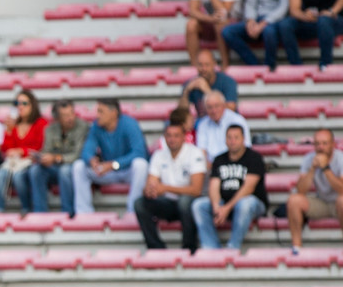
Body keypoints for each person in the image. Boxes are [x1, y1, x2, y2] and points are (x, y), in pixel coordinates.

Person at [192, 124, 267, 250]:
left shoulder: (254, 158)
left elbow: (248, 188)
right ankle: (211, 248)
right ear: (225, 140)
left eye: (236, 137)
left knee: (245, 203)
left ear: (243, 139)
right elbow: (214, 186)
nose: (232, 141)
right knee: (199, 205)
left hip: (252, 204)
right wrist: (217, 207)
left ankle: (233, 247)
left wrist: (226, 208)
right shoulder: (219, 159)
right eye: (229, 138)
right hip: (225, 204)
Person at [134, 121, 206, 252]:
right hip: (168, 203)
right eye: (169, 135)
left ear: (184, 136)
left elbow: (196, 190)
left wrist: (165, 188)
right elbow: (151, 182)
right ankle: (156, 248)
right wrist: (149, 191)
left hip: (189, 203)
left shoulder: (195, 153)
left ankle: (189, 247)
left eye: (176, 135)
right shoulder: (159, 155)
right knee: (140, 203)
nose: (172, 139)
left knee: (185, 202)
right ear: (164, 137)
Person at [72, 99, 148, 215]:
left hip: (127, 170)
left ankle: (133, 212)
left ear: (114, 113)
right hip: (107, 171)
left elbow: (139, 153)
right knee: (79, 166)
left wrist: (114, 164)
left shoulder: (130, 124)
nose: (97, 115)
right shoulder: (96, 126)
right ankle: (84, 213)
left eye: (101, 111)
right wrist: (91, 160)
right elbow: (87, 149)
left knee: (141, 165)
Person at [286, 128, 343, 254]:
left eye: (324, 143)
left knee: (342, 200)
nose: (320, 147)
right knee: (294, 200)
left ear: (333, 144)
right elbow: (300, 191)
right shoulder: (309, 159)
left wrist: (326, 169)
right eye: (317, 144)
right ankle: (296, 247)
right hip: (322, 202)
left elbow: (341, 190)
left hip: (339, 203)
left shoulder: (340, 159)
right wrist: (312, 169)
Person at [23, 99, 85, 215]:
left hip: (74, 168)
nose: (70, 117)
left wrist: (56, 158)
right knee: (35, 170)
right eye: (65, 115)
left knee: (65, 171)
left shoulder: (82, 127)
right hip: (55, 167)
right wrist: (42, 158)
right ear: (57, 118)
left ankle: (67, 212)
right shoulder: (50, 129)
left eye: (72, 113)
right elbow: (47, 150)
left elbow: (77, 155)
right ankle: (40, 212)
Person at [0, 89, 47, 213]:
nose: (20, 106)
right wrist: (8, 131)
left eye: (24, 103)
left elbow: (41, 147)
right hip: (15, 163)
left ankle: (26, 208)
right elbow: (6, 149)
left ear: (32, 105)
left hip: (31, 162)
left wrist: (21, 151)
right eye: (17, 103)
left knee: (18, 177)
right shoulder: (14, 124)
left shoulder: (41, 123)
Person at [179, 49, 238, 118]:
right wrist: (186, 91)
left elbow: (231, 109)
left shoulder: (227, 81)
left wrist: (207, 90)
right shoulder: (191, 83)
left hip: (226, 121)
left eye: (207, 65)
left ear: (214, 64)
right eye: (200, 65)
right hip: (203, 122)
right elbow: (181, 114)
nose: (204, 69)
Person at [194, 91, 250, 163]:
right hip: (211, 167)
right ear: (205, 109)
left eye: (216, 106)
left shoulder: (237, 120)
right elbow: (201, 152)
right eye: (209, 107)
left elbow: (246, 147)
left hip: (235, 164)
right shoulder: (203, 124)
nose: (213, 110)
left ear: (224, 105)